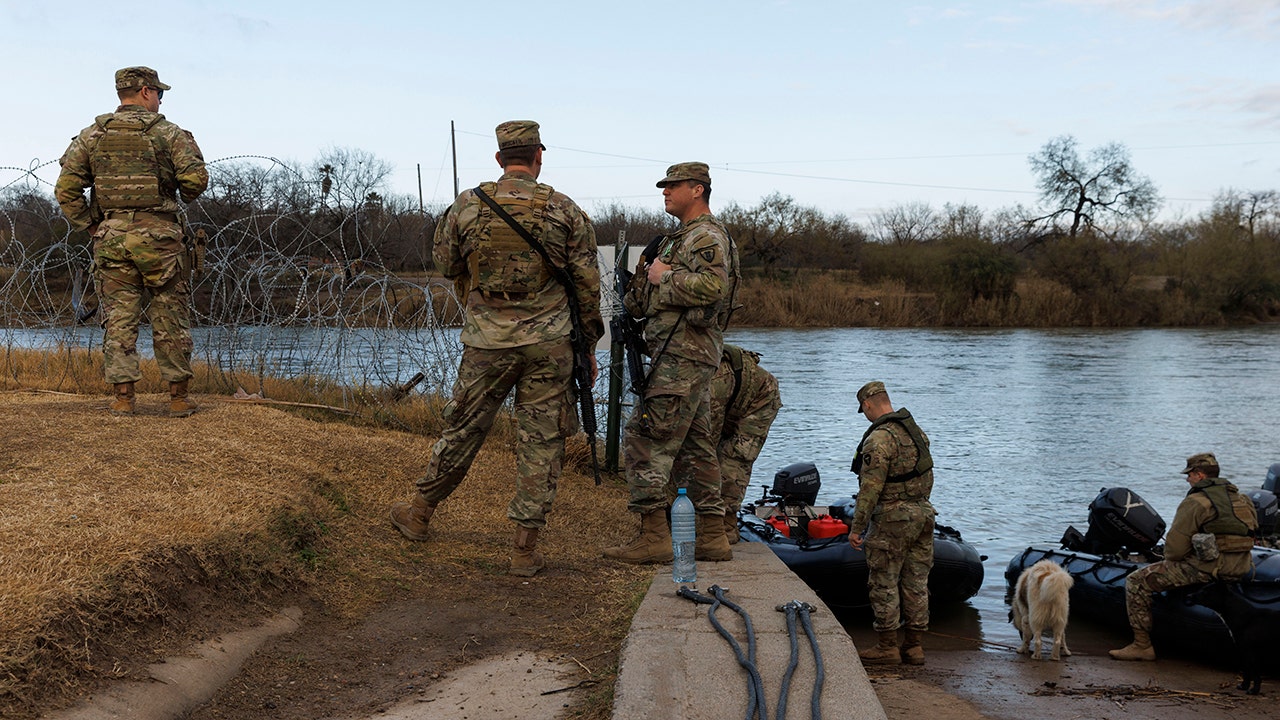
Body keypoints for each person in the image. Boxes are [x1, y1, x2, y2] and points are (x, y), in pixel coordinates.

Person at [388, 121, 603, 578]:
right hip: (550, 342)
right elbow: (587, 285)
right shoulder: (565, 209)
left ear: (500, 158)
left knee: (463, 427)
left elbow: (446, 264)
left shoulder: (468, 205)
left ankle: (419, 514)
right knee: (542, 441)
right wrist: (587, 346)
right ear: (539, 154)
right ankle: (524, 550)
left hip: (488, 338)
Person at [604, 162, 740, 565]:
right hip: (680, 356)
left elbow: (712, 288)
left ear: (697, 190)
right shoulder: (675, 240)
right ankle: (713, 538)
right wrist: (644, 279)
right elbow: (641, 300)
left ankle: (653, 538)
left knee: (645, 439)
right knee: (696, 448)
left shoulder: (705, 236)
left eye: (673, 185)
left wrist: (663, 278)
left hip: (682, 357)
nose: (665, 191)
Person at [55, 66, 208, 416]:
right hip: (162, 241)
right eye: (158, 93)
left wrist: (93, 227)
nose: (159, 100)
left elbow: (66, 189)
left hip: (112, 240)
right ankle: (178, 399)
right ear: (144, 91)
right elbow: (195, 183)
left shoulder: (92, 135)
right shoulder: (169, 133)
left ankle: (124, 398)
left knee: (119, 318)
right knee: (170, 316)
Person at [1110, 452, 1258, 661]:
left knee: (1136, 581)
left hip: (1208, 569)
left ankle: (1141, 645)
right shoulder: (1243, 499)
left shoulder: (1196, 502)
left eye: (1189, 475)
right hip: (1243, 567)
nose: (1187, 479)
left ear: (1199, 475)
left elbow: (1174, 551)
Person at [848, 381, 936, 666]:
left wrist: (857, 528)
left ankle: (887, 646)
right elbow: (926, 478)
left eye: (863, 411)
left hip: (892, 520)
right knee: (916, 582)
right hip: (923, 515)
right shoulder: (917, 432)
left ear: (867, 405)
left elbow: (870, 490)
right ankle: (914, 646)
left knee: (884, 581)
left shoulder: (878, 440)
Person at [705, 344, 782, 543]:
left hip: (760, 401)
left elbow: (706, 445)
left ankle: (726, 524)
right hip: (733, 400)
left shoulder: (713, 382)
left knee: (734, 457)